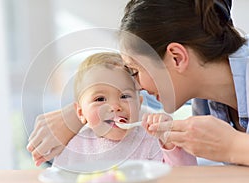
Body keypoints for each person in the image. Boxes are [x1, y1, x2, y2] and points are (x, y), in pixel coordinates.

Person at [27, 0, 249, 166]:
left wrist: (233, 147)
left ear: (177, 58)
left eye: (135, 70)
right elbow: (134, 103)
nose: (138, 85)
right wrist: (80, 113)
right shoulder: (204, 98)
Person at [52, 52, 196, 168]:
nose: (115, 106)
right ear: (80, 112)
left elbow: (185, 176)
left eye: (124, 96)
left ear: (139, 104)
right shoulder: (75, 147)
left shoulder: (152, 139)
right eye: (100, 99)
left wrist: (169, 141)